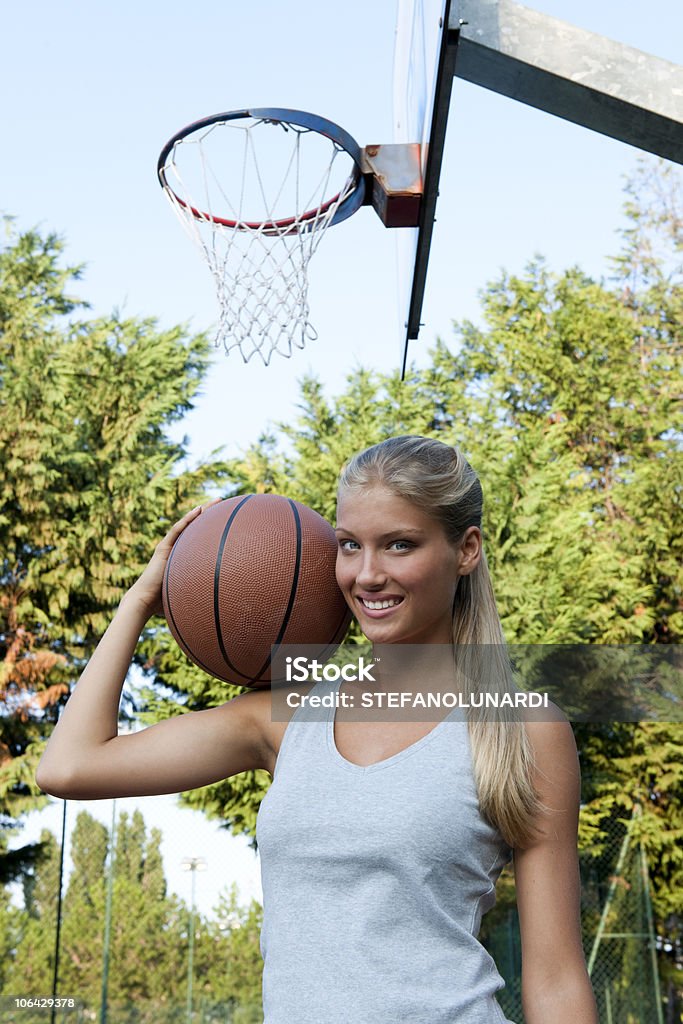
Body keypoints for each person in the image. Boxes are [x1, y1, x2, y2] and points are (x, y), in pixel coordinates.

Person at [37, 435, 598, 1024]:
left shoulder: (525, 729)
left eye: (399, 545)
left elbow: (556, 980)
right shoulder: (289, 713)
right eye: (349, 546)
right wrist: (144, 597)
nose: (367, 574)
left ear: (467, 549)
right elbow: (70, 767)